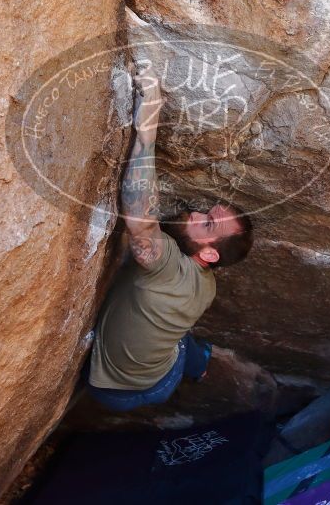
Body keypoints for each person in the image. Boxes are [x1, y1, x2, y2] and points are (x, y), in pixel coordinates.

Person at [85, 66, 254, 411]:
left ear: (208, 255)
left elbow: (141, 223)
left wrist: (147, 127)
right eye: (208, 212)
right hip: (160, 372)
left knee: (178, 344)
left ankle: (198, 361)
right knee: (177, 339)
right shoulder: (207, 285)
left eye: (206, 224)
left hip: (119, 392)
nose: (195, 215)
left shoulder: (168, 270)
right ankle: (201, 363)